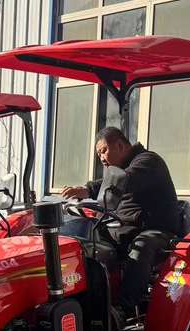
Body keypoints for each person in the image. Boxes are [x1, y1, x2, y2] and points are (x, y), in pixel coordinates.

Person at [62, 127, 179, 311]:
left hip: (155, 230)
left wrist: (89, 190)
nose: (101, 158)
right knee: (83, 244)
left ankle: (126, 307)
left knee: (141, 246)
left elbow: (121, 182)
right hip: (124, 229)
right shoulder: (123, 171)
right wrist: (85, 193)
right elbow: (112, 183)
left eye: (103, 151)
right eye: (98, 154)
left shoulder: (148, 162)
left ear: (120, 145)